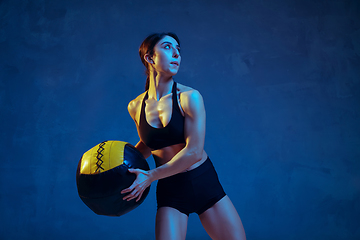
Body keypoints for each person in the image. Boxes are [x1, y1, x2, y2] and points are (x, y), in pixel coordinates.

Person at [121, 32, 246, 240]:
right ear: (150, 58)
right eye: (168, 47)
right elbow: (150, 144)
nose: (177, 54)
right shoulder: (135, 106)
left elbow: (194, 152)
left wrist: (150, 176)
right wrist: (119, 165)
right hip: (171, 190)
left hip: (202, 182)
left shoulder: (189, 98)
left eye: (179, 49)